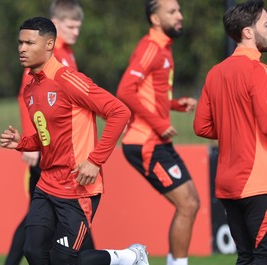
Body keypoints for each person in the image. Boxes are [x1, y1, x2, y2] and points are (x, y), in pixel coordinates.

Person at [0, 17, 149, 265]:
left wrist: (94, 161)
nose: (22, 49)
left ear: (49, 44)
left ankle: (129, 257)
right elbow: (49, 136)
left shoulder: (68, 80)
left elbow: (119, 112)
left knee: (64, 261)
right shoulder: (31, 88)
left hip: (77, 186)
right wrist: (22, 142)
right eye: (20, 43)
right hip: (46, 185)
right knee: (34, 251)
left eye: (29, 42)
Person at [5, 1, 93, 264]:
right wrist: (31, 143)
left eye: (78, 26)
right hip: (47, 151)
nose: (75, 31)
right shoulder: (48, 57)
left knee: (41, 221)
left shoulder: (67, 55)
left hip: (63, 151)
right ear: (55, 26)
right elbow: (28, 97)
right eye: (70, 25)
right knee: (40, 220)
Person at [116, 1, 200, 265]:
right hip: (145, 142)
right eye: (172, 12)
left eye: (179, 11)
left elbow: (149, 93)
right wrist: (159, 123)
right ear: (154, 18)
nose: (180, 16)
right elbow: (125, 91)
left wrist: (175, 104)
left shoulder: (163, 48)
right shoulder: (150, 47)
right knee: (187, 205)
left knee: (192, 203)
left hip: (156, 140)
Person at [194, 1, 267, 264]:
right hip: (258, 182)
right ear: (248, 32)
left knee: (246, 256)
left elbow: (200, 126)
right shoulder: (258, 70)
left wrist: (233, 129)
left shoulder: (215, 73)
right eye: (266, 25)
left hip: (227, 184)